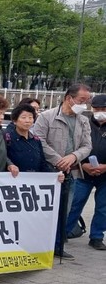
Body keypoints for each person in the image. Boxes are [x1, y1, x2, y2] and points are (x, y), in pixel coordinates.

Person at [34, 83, 93, 259]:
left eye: (87, 101)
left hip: (72, 172)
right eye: (81, 100)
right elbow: (39, 140)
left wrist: (73, 157)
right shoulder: (47, 116)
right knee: (44, 211)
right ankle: (39, 245)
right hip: (49, 173)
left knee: (64, 210)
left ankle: (57, 245)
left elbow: (87, 145)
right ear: (69, 98)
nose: (85, 104)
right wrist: (58, 160)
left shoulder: (83, 120)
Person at [65, 93, 106, 251]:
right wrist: (83, 165)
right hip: (83, 172)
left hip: (105, 174)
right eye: (97, 108)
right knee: (74, 204)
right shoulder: (83, 123)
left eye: (103, 109)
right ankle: (64, 232)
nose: (100, 112)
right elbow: (74, 146)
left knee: (103, 208)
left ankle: (97, 237)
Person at [3, 103, 52, 173]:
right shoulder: (7, 138)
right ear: (14, 121)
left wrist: (54, 176)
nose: (27, 121)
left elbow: (42, 164)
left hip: (33, 178)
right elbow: (3, 158)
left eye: (30, 117)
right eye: (23, 117)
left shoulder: (36, 140)